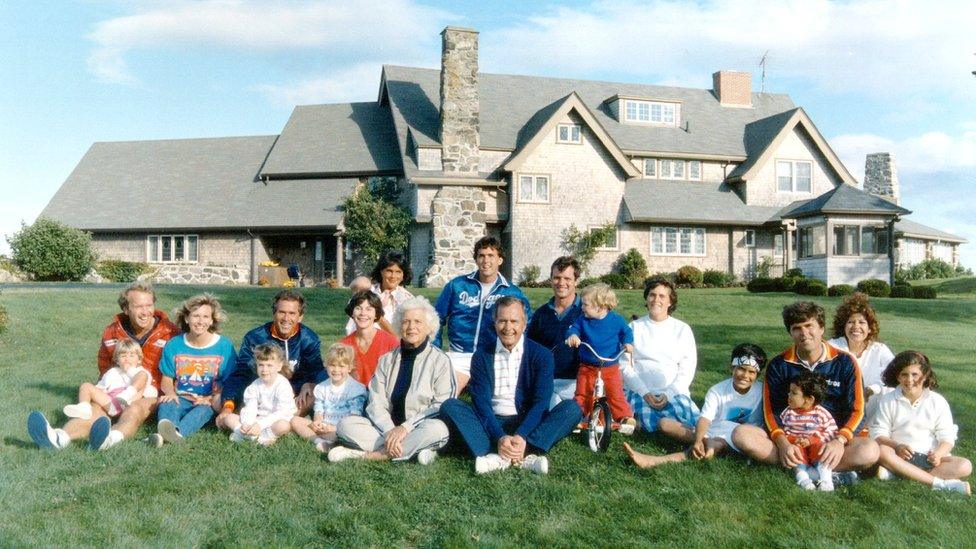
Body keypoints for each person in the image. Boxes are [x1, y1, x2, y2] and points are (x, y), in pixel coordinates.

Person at [733, 301, 879, 483]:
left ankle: (803, 471)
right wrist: (783, 443)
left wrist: (839, 441)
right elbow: (770, 411)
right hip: (792, 439)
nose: (804, 333)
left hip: (829, 439)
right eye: (796, 328)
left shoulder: (845, 362)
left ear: (821, 328)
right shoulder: (779, 364)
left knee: (869, 451)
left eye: (809, 326)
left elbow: (858, 410)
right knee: (742, 435)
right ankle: (819, 471)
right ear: (790, 333)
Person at [440, 296, 583, 475]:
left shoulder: (541, 355)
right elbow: (481, 403)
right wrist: (499, 436)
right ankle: (521, 456)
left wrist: (521, 435)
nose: (508, 328)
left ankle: (505, 455)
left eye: (514, 321)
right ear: (494, 322)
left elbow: (541, 403)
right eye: (502, 321)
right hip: (491, 420)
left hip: (526, 420)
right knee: (450, 406)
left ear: (524, 323)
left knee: (572, 409)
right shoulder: (482, 355)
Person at [28, 282, 179, 450]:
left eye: (149, 305)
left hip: (151, 394)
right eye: (138, 307)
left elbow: (182, 367)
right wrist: (105, 393)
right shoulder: (112, 331)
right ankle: (59, 438)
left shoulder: (170, 332)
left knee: (134, 409)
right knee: (93, 410)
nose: (145, 312)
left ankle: (109, 439)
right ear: (126, 309)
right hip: (117, 390)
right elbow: (106, 367)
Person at [329, 296, 454, 464]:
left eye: (418, 322)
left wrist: (405, 428)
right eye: (406, 322)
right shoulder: (386, 360)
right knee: (346, 425)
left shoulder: (441, 361)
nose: (411, 327)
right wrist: (390, 431)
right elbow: (376, 402)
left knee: (438, 430)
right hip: (384, 431)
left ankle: (373, 455)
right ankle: (414, 451)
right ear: (399, 325)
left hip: (419, 427)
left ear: (429, 327)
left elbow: (442, 404)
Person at [624, 343, 767, 469]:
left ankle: (655, 461)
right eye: (741, 369)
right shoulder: (718, 390)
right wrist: (699, 440)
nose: (745, 375)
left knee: (714, 444)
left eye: (751, 372)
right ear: (732, 367)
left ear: (757, 374)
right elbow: (705, 419)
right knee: (664, 424)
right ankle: (707, 444)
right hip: (714, 432)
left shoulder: (762, 392)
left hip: (743, 437)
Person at [434, 236, 530, 393]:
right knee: (445, 396)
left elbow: (526, 324)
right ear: (476, 259)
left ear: (500, 260)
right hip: (460, 354)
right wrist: (435, 350)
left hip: (492, 355)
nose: (486, 260)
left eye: (491, 255)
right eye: (481, 255)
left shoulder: (512, 292)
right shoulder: (457, 285)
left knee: (498, 401)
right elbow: (436, 318)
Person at [218, 290, 324, 430]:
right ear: (274, 313)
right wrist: (228, 405)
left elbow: (317, 370)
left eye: (292, 313)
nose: (286, 318)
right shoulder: (255, 337)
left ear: (300, 317)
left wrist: (311, 384)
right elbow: (241, 373)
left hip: (292, 398)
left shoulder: (309, 339)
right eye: (282, 312)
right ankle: (262, 423)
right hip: (261, 395)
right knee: (218, 400)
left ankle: (277, 423)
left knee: (313, 395)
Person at [871, 350, 971, 495]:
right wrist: (897, 446)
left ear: (924, 376)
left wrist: (938, 454)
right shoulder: (888, 400)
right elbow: (878, 434)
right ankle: (940, 484)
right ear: (897, 376)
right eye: (904, 374)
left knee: (965, 466)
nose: (909, 380)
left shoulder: (937, 401)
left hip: (928, 459)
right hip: (900, 455)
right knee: (882, 451)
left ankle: (898, 473)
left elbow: (947, 437)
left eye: (915, 374)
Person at [151, 294, 237, 446]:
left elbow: (229, 381)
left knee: (203, 411)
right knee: (166, 404)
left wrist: (211, 398)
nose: (200, 321)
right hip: (181, 397)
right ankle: (169, 432)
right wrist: (170, 393)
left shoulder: (224, 346)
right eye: (195, 316)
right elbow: (167, 377)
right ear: (186, 318)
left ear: (211, 320)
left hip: (207, 400)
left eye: (205, 316)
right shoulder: (174, 344)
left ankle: (175, 434)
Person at [622, 279, 699, 436]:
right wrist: (644, 392)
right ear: (646, 298)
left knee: (677, 416)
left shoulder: (682, 329)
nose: (656, 300)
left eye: (662, 296)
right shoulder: (634, 327)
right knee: (642, 414)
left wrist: (669, 394)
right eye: (652, 295)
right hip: (640, 391)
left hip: (673, 392)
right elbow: (624, 367)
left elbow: (687, 370)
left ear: (670, 301)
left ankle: (665, 426)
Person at [565, 283, 636, 434]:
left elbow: (627, 333)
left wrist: (628, 343)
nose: (582, 307)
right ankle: (577, 416)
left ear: (600, 306)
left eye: (585, 304)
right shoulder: (582, 320)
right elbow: (573, 329)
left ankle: (624, 417)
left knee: (615, 393)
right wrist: (573, 336)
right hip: (588, 366)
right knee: (582, 393)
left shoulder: (616, 320)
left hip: (610, 366)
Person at [828, 292, 895, 426]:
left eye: (862, 322)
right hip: (838, 408)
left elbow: (895, 375)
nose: (856, 327)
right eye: (850, 322)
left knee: (891, 390)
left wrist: (871, 389)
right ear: (843, 326)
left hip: (872, 410)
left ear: (870, 329)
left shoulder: (879, 349)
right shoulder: (833, 346)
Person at [526, 256, 583, 409]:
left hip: (578, 382)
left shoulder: (587, 312)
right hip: (548, 380)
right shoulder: (541, 314)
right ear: (551, 279)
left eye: (567, 278)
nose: (561, 283)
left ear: (576, 281)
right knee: (549, 413)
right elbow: (530, 350)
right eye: (557, 278)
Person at [292, 343, 368, 453]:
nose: (336, 370)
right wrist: (318, 422)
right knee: (295, 421)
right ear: (326, 365)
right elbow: (319, 410)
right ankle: (319, 441)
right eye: (332, 365)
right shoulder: (321, 387)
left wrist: (334, 429)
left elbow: (354, 418)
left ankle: (333, 441)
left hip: (343, 429)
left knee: (344, 434)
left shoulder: (355, 389)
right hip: (324, 425)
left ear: (350, 368)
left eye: (341, 366)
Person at [62, 339, 155, 420]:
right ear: (117, 360)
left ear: (139, 359)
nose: (127, 359)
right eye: (123, 356)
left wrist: (129, 370)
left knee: (142, 378)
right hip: (111, 403)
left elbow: (146, 387)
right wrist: (96, 393)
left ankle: (125, 396)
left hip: (130, 403)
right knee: (86, 386)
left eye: (131, 355)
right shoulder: (112, 372)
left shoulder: (141, 372)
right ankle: (84, 408)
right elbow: (101, 387)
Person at [224, 344, 298, 445]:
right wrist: (248, 424)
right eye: (261, 365)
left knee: (284, 426)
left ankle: (265, 436)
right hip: (258, 418)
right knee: (229, 418)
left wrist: (260, 425)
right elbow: (250, 407)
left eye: (269, 365)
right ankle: (244, 433)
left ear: (279, 366)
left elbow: (282, 412)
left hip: (277, 419)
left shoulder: (283, 385)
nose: (264, 370)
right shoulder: (255, 385)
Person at [780, 372, 839, 491]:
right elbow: (784, 431)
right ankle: (804, 480)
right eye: (789, 391)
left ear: (809, 399)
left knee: (821, 448)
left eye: (794, 393)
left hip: (815, 447)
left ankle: (826, 481)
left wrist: (812, 440)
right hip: (798, 446)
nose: (789, 395)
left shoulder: (821, 414)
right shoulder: (788, 413)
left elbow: (832, 431)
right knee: (796, 453)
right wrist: (794, 439)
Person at [344, 251, 415, 335]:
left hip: (392, 345)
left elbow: (404, 335)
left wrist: (379, 316)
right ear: (381, 271)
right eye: (389, 271)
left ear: (403, 275)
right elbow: (353, 320)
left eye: (398, 272)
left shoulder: (408, 300)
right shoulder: (368, 291)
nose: (393, 276)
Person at [339, 290, 400, 385]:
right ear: (352, 313)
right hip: (352, 396)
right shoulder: (343, 345)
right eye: (358, 308)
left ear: (376, 315)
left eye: (369, 309)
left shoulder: (391, 343)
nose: (363, 313)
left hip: (382, 396)